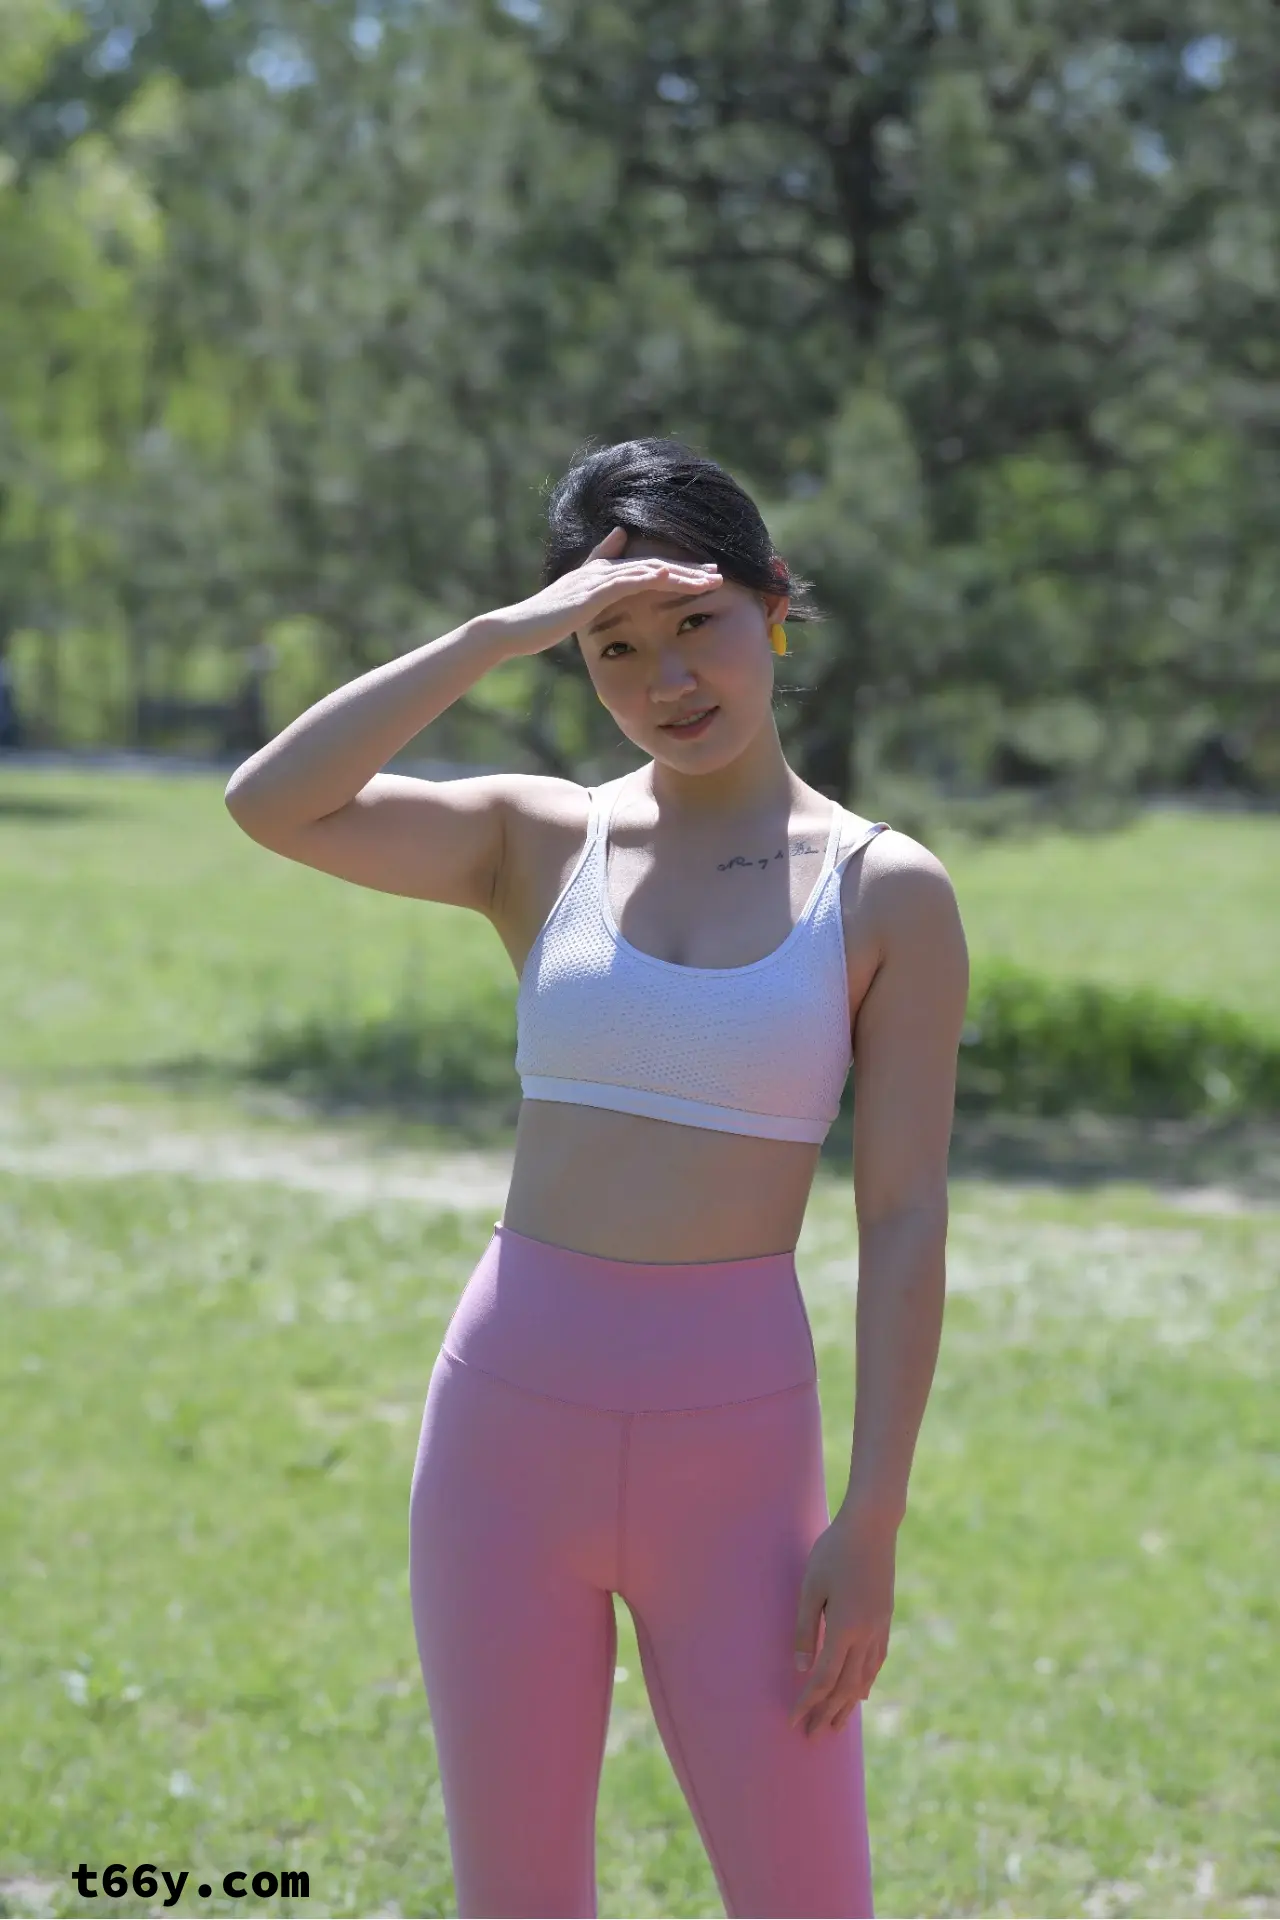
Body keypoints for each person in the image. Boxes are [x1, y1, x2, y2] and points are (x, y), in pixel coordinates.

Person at [224, 437, 969, 1918]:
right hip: (506, 1428)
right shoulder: (538, 839)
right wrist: (500, 633)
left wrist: (873, 1516)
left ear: (773, 606)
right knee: (517, 1896)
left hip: (738, 1454)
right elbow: (271, 801)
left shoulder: (884, 890)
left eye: (697, 622)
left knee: (810, 1896)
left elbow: (902, 1215)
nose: (665, 678)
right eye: (614, 645)